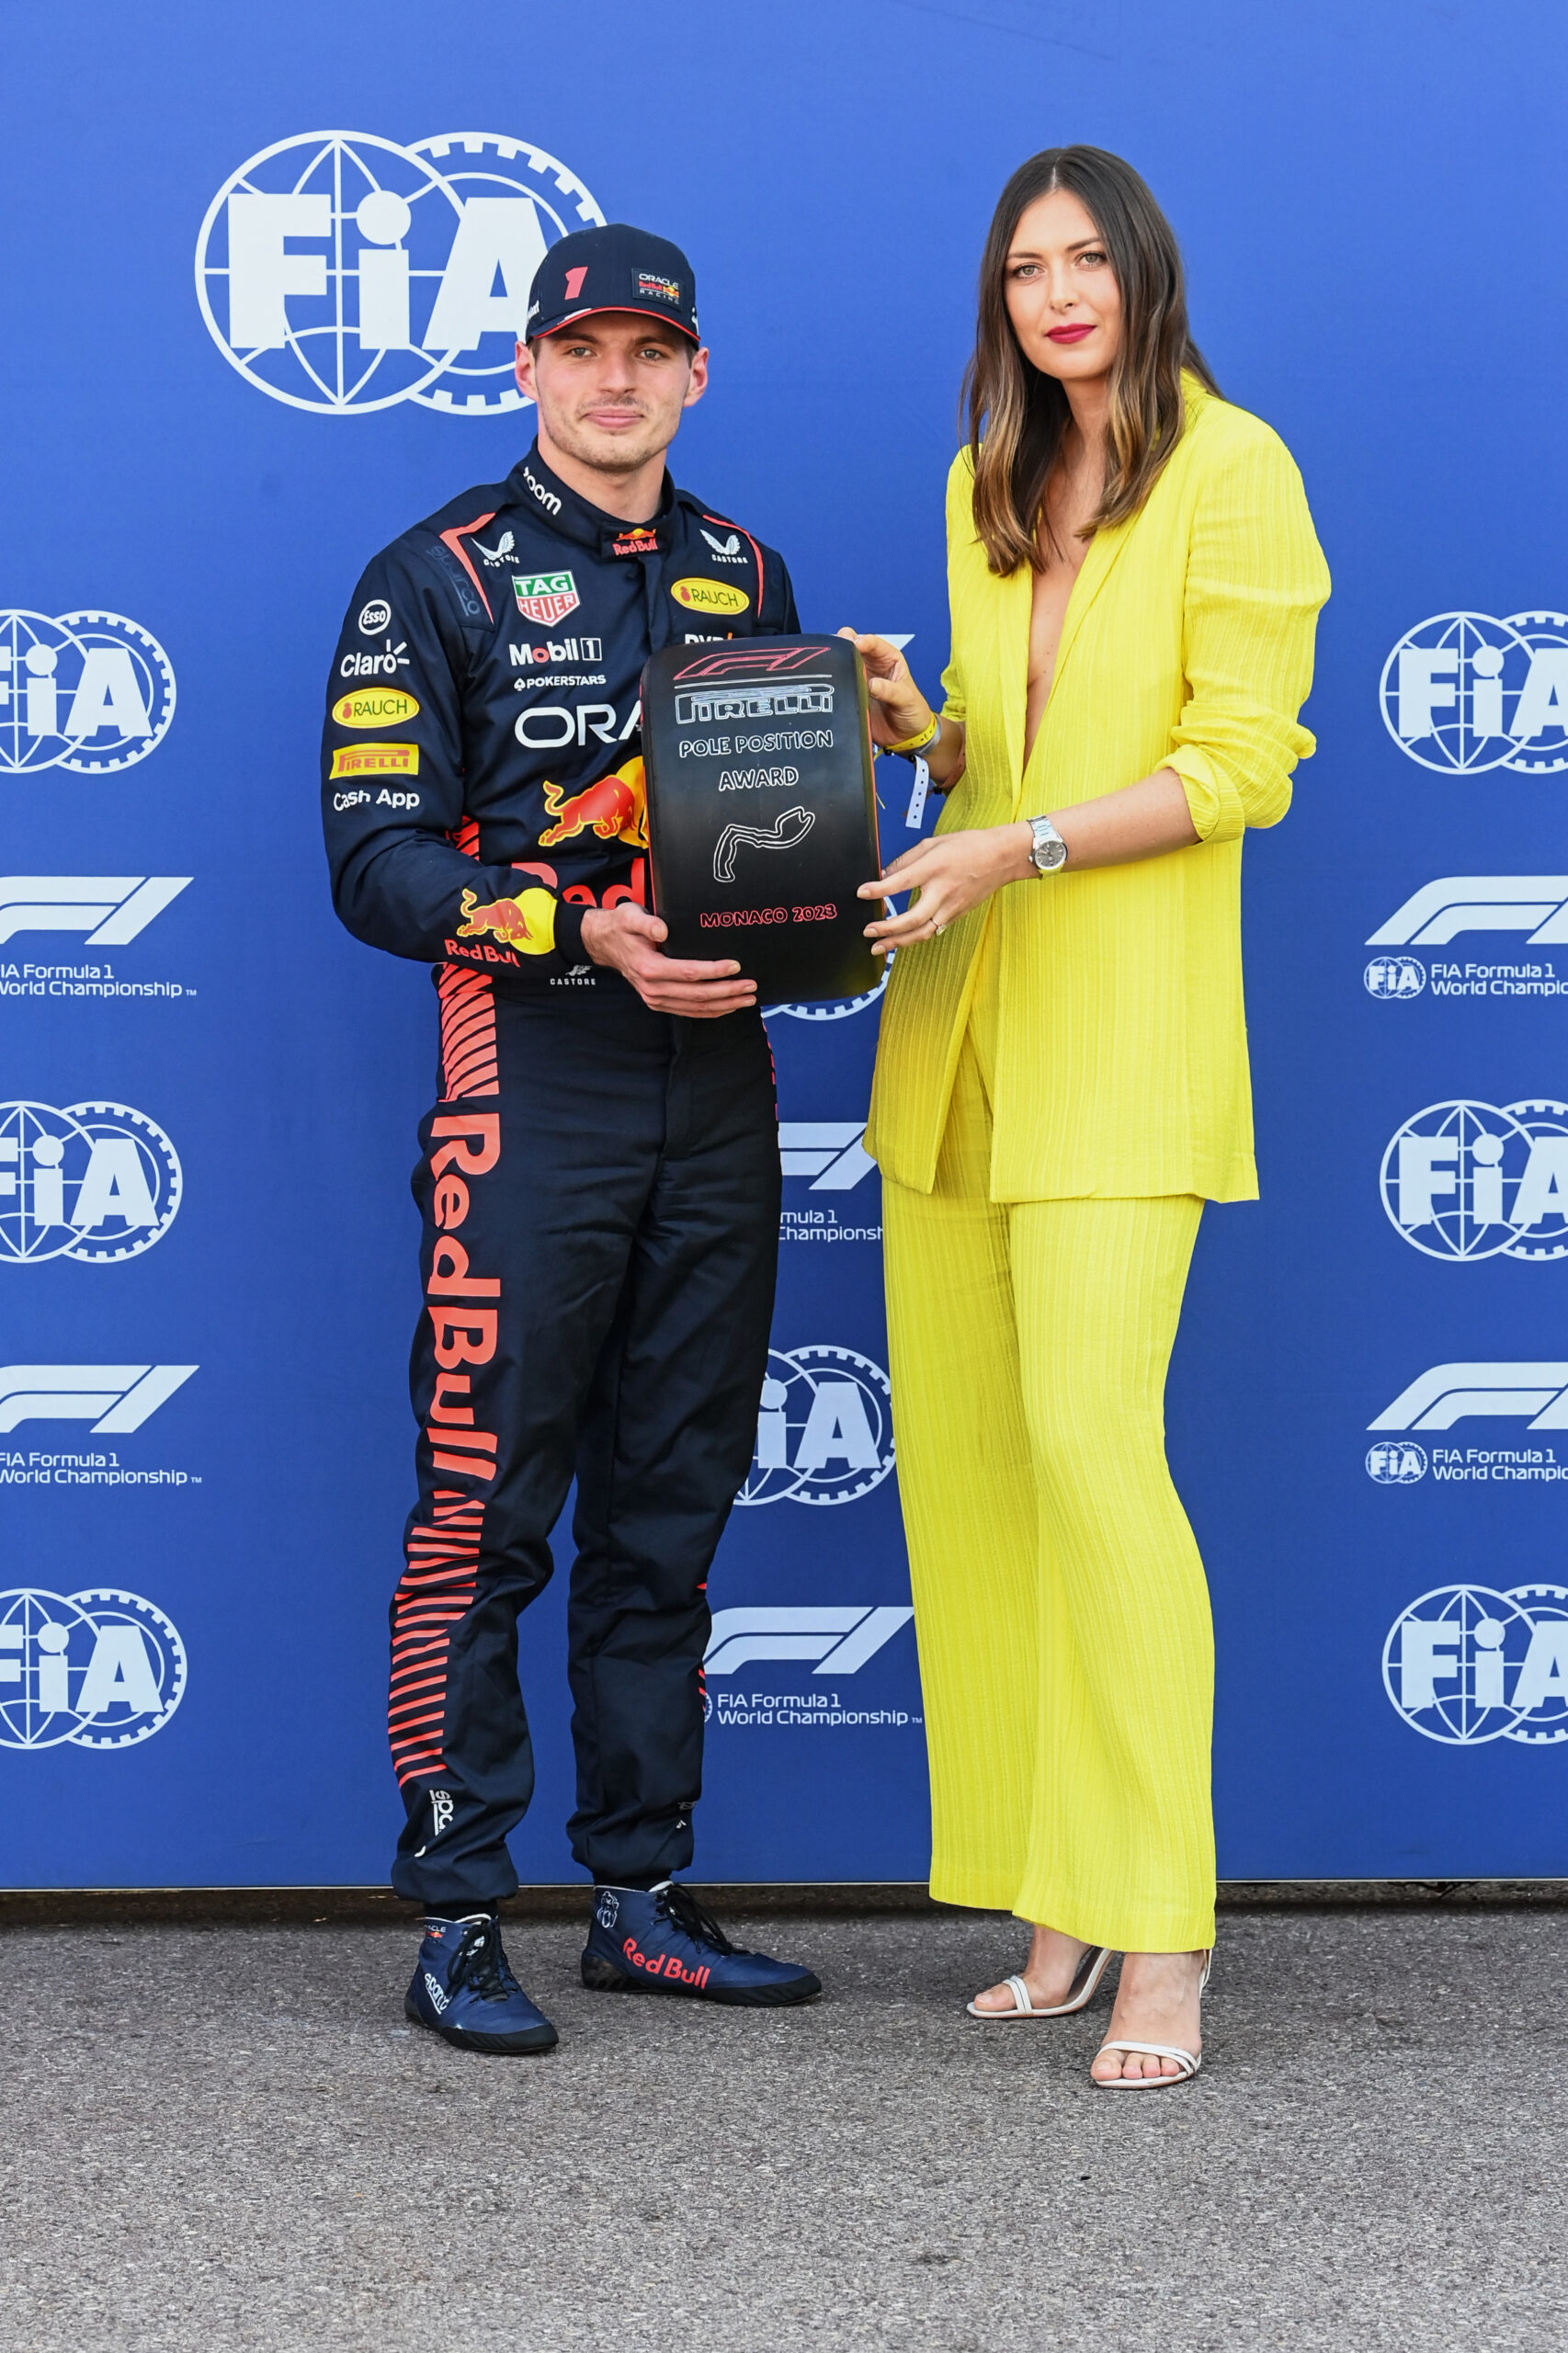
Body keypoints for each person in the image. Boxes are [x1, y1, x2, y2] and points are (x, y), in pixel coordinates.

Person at [843, 146, 1329, 2086]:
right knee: (976, 1483)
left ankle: (1160, 1929)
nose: (1055, 292)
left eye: (1082, 259)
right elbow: (998, 746)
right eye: (1022, 266)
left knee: (1093, 1456)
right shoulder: (984, 487)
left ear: (1142, 272)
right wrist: (920, 733)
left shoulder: (1234, 469)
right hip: (955, 1047)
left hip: (1122, 1047)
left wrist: (1012, 839)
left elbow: (1236, 765)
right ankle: (1048, 1883)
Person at [322, 222, 821, 2055]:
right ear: (527, 370)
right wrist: (566, 927)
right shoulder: (429, 575)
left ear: (693, 376)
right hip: (528, 1081)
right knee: (485, 1501)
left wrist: (817, 933)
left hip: (719, 1087)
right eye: (581, 350)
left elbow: (778, 834)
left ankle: (640, 1891)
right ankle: (460, 1906)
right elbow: (374, 862)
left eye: (649, 353)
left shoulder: (746, 569)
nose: (615, 383)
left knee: (672, 1502)